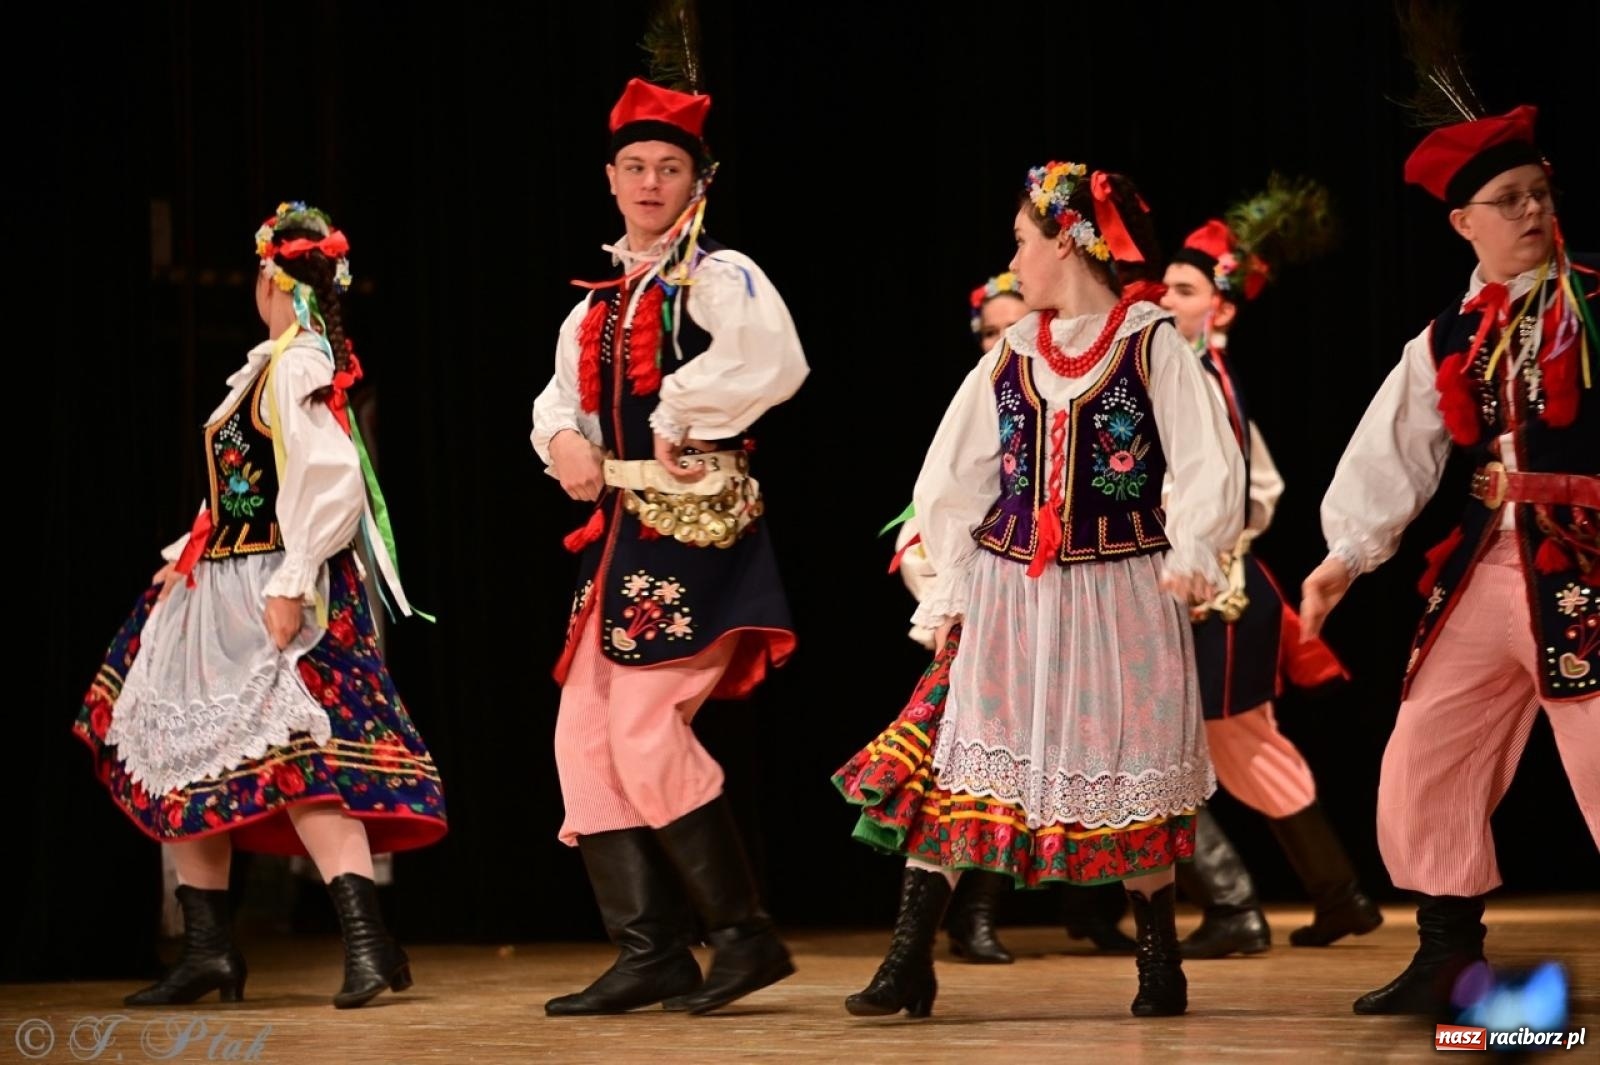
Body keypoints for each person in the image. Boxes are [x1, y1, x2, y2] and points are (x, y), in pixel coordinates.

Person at [836, 161, 1244, 1018]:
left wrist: (1195, 549)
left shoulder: (1150, 343)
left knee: (1130, 761)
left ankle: (1160, 962)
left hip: (1120, 592)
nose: (1015, 257)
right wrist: (950, 588)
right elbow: (953, 476)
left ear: (1068, 241)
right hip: (1011, 594)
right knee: (959, 758)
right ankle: (908, 959)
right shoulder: (1016, 350)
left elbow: (1209, 462)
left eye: (1023, 239)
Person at [73, 201, 445, 1009]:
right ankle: (210, 949)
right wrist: (187, 553)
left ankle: (369, 942)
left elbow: (333, 480)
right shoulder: (271, 365)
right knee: (191, 762)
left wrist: (291, 580)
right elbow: (244, 487)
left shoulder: (299, 364)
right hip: (224, 584)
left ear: (272, 279)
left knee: (303, 760)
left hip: (272, 584)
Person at [1299, 103, 1598, 1015]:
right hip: (1487, 567)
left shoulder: (1593, 302)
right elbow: (1396, 445)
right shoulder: (1447, 334)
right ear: (1464, 221)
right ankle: (1447, 954)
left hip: (1585, 571)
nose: (1532, 210)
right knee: (1428, 751)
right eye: (1509, 199)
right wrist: (1344, 556)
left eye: (1539, 193)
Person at [530, 75, 809, 1016]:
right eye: (636, 166)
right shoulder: (600, 302)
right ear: (610, 178)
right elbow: (557, 400)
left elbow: (773, 359)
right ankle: (649, 949)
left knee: (646, 726)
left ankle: (744, 935)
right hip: (619, 532)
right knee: (582, 735)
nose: (651, 183)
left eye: (670, 168)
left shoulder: (716, 276)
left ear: (699, 181)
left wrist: (680, 408)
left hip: (693, 526)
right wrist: (562, 441)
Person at [1156, 183, 1381, 958]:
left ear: (1220, 307)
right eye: (1164, 288)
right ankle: (1334, 895)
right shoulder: (1199, 376)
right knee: (1237, 746)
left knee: (1198, 749)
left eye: (1183, 290)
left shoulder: (1202, 380)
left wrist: (1198, 551)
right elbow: (1265, 487)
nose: (1164, 300)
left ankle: (1240, 905)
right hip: (1218, 586)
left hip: (1210, 593)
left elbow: (1248, 495)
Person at [885, 272, 1135, 965]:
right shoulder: (989, 394)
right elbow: (930, 512)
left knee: (1086, 756)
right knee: (975, 769)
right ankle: (956, 927)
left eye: (1014, 327)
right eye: (991, 331)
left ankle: (1093, 907)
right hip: (992, 605)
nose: (1004, 340)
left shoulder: (1076, 389)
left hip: (1072, 602)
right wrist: (948, 600)